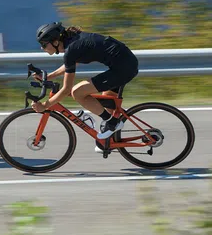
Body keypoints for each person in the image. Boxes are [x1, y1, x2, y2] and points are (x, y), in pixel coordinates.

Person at [31, 22, 139, 153]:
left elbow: (66, 90)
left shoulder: (72, 48)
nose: (42, 48)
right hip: (123, 64)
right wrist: (50, 76)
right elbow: (70, 63)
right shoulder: (72, 44)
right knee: (106, 104)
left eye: (43, 44)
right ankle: (106, 142)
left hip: (123, 68)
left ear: (55, 41)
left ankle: (113, 123)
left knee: (77, 92)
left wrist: (45, 105)